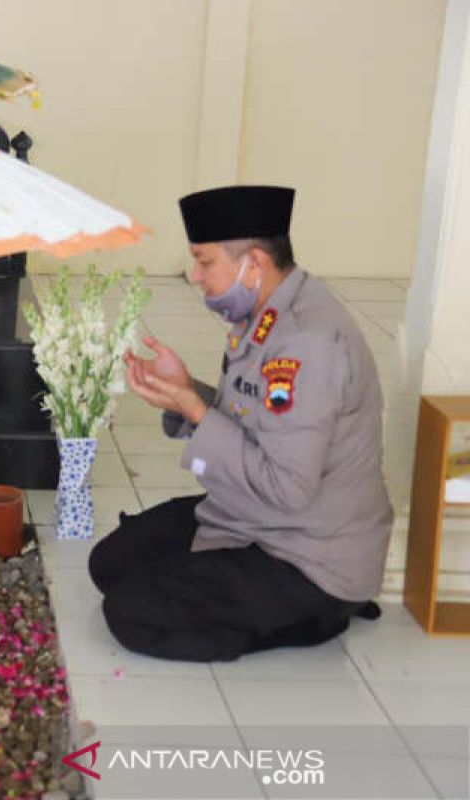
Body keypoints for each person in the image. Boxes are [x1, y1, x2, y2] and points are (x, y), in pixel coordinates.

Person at [87, 185, 392, 661]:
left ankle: (315, 619)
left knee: (129, 613)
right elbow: (255, 423)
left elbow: (288, 489)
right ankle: (236, 585)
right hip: (251, 516)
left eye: (204, 262)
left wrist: (195, 409)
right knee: (110, 564)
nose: (195, 276)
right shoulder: (268, 312)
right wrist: (187, 391)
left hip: (306, 555)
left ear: (253, 263)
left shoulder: (308, 343)